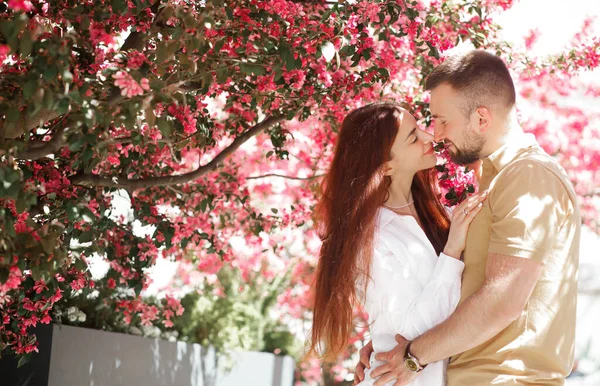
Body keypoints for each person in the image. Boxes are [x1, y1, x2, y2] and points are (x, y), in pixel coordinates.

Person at [354, 50, 581, 386]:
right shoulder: (496, 179)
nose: (437, 134)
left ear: (481, 119)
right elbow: (467, 291)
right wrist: (391, 339)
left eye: (443, 120)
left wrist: (412, 356)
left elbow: (502, 301)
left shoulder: (528, 177)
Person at [307, 101, 487, 386]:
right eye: (413, 137)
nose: (429, 137)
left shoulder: (433, 211)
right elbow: (410, 332)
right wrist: (452, 250)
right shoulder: (370, 239)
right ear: (386, 165)